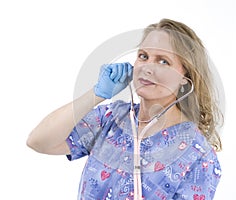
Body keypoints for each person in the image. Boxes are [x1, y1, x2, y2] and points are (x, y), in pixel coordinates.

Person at [27, 18, 224, 200]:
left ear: (185, 76)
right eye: (143, 56)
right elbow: (39, 141)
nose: (147, 67)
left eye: (163, 61)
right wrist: (96, 94)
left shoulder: (198, 155)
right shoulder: (111, 119)